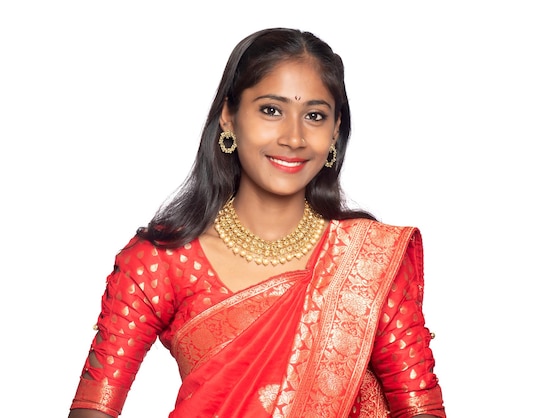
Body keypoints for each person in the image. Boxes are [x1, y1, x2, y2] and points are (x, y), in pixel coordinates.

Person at [68, 27, 446, 418]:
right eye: (271, 110)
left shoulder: (368, 261)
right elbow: (93, 408)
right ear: (228, 117)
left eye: (314, 116)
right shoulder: (160, 261)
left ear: (335, 132)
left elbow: (420, 408)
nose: (294, 137)